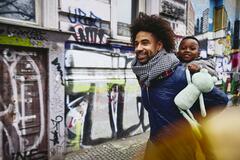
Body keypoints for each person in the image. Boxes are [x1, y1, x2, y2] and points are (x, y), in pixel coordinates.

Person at [130, 13, 228, 160]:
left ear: (159, 46)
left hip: (180, 151)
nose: (138, 48)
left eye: (145, 43)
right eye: (136, 43)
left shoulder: (182, 75)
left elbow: (222, 100)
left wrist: (192, 122)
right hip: (154, 144)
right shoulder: (145, 75)